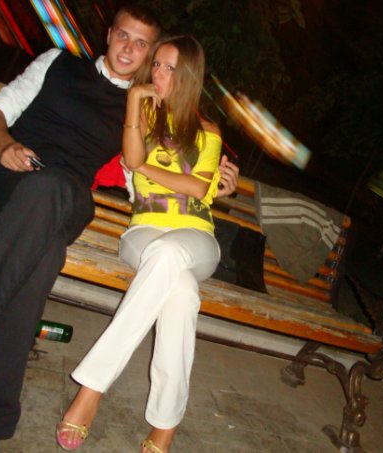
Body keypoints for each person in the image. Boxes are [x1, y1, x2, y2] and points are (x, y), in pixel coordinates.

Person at [0, 5, 236, 452]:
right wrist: (5, 144)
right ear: (108, 34)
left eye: (141, 44)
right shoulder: (57, 63)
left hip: (64, 196)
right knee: (43, 255)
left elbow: (140, 176)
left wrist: (214, 185)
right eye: (123, 35)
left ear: (149, 54)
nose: (128, 48)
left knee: (52, 188)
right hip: (6, 184)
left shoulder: (142, 111)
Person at [55, 35, 222, 453]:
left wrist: (145, 167)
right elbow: (130, 156)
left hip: (196, 237)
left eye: (169, 68)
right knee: (181, 292)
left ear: (188, 76)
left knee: (173, 260)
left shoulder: (208, 132)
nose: (158, 74)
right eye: (157, 65)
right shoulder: (144, 114)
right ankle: (165, 424)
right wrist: (133, 101)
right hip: (143, 232)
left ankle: (91, 389)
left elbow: (196, 189)